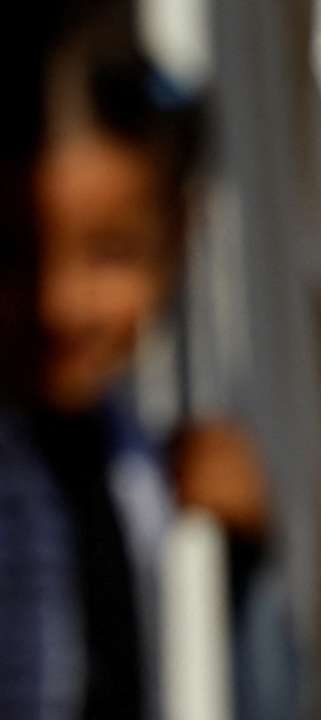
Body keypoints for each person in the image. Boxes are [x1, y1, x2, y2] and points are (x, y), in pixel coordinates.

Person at [0, 5, 202, 717]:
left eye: (110, 254)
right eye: (15, 253)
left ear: (179, 231)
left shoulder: (130, 456)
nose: (61, 304)